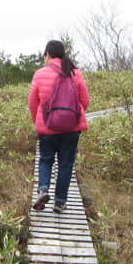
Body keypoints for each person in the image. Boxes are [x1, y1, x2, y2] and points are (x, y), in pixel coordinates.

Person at [28, 40, 90, 213]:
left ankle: (43, 190)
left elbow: (32, 102)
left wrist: (38, 121)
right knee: (65, 164)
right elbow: (85, 101)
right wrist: (72, 117)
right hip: (71, 129)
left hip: (48, 129)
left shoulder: (40, 74)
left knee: (46, 160)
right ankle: (60, 202)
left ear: (48, 54)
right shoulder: (75, 73)